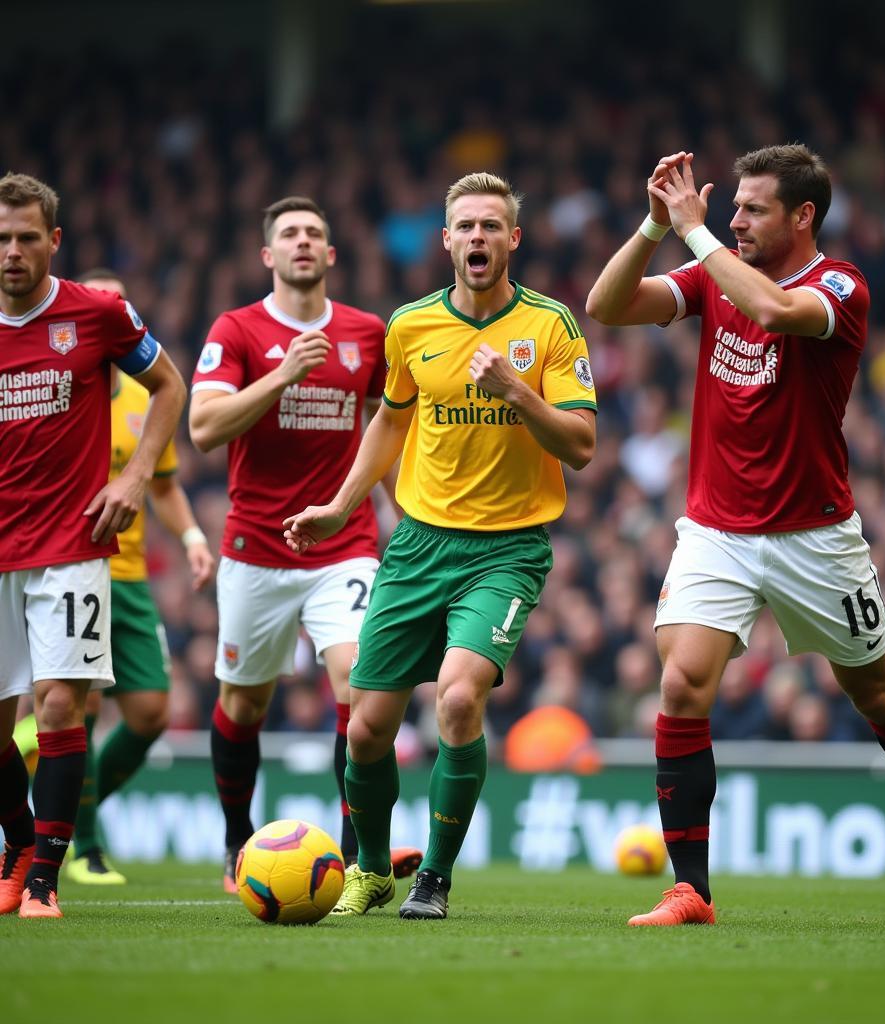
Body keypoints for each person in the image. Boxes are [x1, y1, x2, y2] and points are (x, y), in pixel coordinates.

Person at [586, 145, 885, 926]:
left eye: (752, 208)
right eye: (731, 207)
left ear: (803, 215)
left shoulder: (841, 285)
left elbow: (773, 311)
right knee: (681, 685)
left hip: (815, 535)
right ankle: (691, 889)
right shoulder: (713, 268)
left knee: (875, 691)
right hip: (716, 529)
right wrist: (655, 225)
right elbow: (607, 304)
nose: (733, 220)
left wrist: (697, 237)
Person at [284, 171, 597, 920]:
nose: (479, 237)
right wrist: (339, 505)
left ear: (513, 239)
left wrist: (518, 393)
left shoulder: (551, 326)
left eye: (493, 225)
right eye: (467, 226)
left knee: (459, 699)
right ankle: (370, 869)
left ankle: (436, 878)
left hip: (506, 551)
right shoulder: (412, 326)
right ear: (447, 239)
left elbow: (582, 445)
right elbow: (389, 423)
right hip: (419, 545)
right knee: (365, 727)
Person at [188, 196, 421, 897]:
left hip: (343, 544)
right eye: (288, 233)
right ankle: (237, 841)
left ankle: (359, 858)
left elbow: (394, 424)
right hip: (255, 547)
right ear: (267, 255)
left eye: (314, 234)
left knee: (357, 682)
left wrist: (402, 509)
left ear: (331, 255)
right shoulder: (238, 330)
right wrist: (282, 374)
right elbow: (203, 428)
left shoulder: (365, 331)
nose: (302, 243)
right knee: (243, 704)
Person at [0, 173, 186, 918]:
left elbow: (170, 386)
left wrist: (137, 477)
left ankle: (43, 878)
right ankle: (17, 844)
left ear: (54, 240)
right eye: (1, 239)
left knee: (58, 708)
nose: (11, 252)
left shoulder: (98, 313)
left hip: (72, 543)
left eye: (24, 237)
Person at [56, 269, 216, 884]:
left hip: (128, 577)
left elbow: (166, 485)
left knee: (150, 713)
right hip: (72, 567)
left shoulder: (144, 397)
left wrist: (194, 538)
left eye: (120, 302)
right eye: (100, 301)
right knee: (85, 704)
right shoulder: (56, 385)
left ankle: (65, 801)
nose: (111, 310)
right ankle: (85, 845)